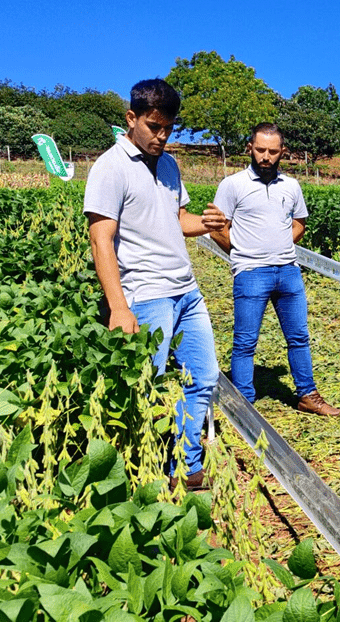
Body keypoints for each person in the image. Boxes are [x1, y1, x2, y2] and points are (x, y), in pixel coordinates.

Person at [83, 78, 226, 490]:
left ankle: (183, 464)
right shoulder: (110, 168)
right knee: (146, 387)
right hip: (146, 296)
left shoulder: (168, 164)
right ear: (131, 118)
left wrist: (205, 224)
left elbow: (176, 220)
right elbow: (101, 239)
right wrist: (119, 306)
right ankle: (136, 471)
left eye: (168, 128)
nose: (162, 136)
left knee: (203, 376)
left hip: (186, 290)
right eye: (153, 126)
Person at [210, 122, 340, 417]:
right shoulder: (232, 185)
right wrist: (243, 252)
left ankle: (307, 395)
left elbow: (299, 224)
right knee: (245, 341)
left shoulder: (291, 186)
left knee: (299, 337)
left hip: (288, 272)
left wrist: (279, 246)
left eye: (272, 151)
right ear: (249, 149)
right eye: (260, 150)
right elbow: (217, 229)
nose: (265, 156)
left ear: (282, 151)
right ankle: (244, 403)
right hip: (251, 273)